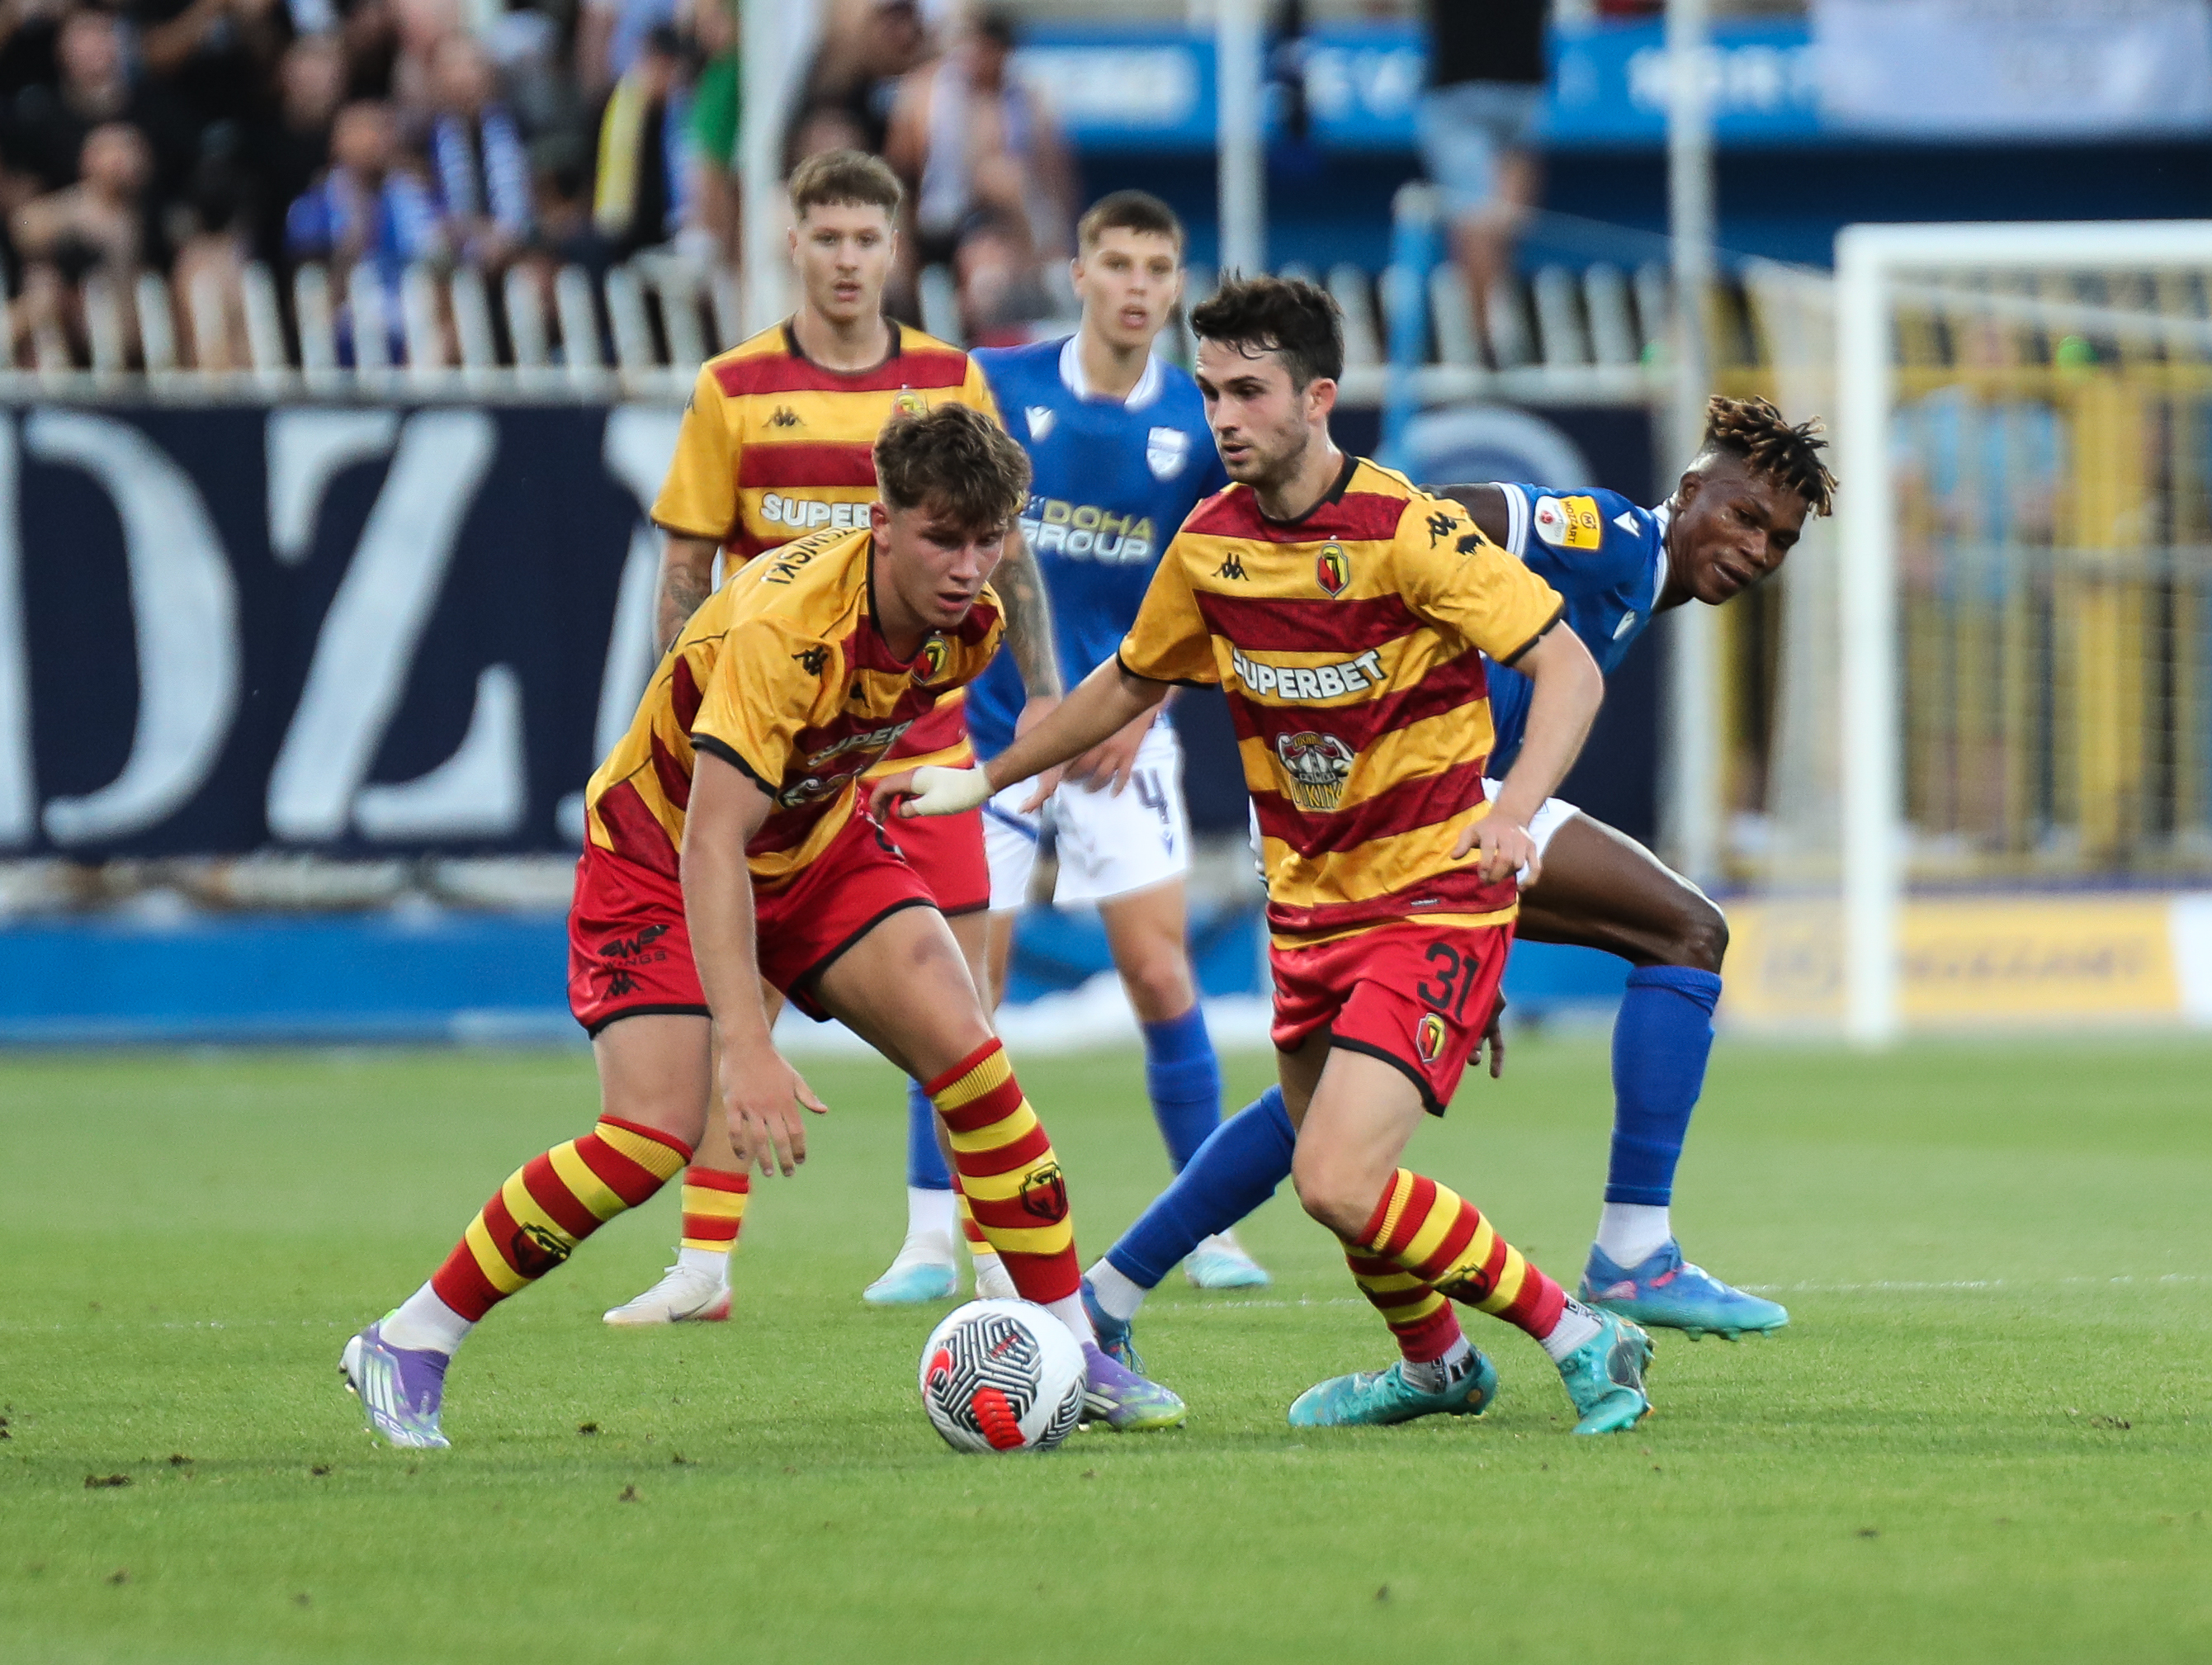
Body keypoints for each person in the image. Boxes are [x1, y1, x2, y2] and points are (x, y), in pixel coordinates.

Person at [877, 276, 1657, 1437]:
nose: (1223, 415)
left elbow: (1571, 671)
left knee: (1338, 1176)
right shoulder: (1211, 548)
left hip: (1431, 897)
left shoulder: (1410, 530)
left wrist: (1515, 813)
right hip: (1308, 911)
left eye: (1249, 391)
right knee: (1341, 1184)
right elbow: (1131, 680)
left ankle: (1583, 1335)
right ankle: (1435, 1365)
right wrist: (991, 775)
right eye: (1209, 392)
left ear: (1318, 396)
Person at [339, 402, 1187, 1450]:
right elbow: (709, 842)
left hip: (812, 843)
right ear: (881, 522)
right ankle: (411, 1337)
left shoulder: (972, 627)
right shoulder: (783, 632)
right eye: (942, 539)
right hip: (660, 854)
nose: (969, 567)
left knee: (972, 1056)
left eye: (987, 540)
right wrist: (747, 1045)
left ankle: (1068, 1346)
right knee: (647, 1137)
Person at [1069, 395, 1838, 1413]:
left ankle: (1117, 1295)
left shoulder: (1627, 590)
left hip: (1348, 821)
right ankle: (1631, 1254)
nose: (1755, 550)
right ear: (1690, 491)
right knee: (1688, 930)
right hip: (1406, 805)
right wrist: (1316, 600)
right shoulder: (1608, 534)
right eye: (1743, 517)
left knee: (1323, 1123)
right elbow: (1440, 513)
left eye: (1777, 541)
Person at [601, 146, 1060, 1327]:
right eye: (830, 237)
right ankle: (707, 1259)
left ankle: (989, 1261)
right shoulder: (735, 386)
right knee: (730, 980)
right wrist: (695, 721)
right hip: (784, 732)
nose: (850, 259)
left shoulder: (949, 377)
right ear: (792, 242)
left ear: (894, 247)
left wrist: (1045, 694)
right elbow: (689, 568)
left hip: (921, 734)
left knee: (961, 998)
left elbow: (1004, 544)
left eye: (869, 239)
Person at [863, 190, 1270, 1305]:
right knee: (955, 982)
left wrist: (1144, 707)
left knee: (1158, 968)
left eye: (1158, 267)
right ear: (1081, 275)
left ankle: (1209, 1227)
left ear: (1175, 288)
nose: (1138, 286)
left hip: (1118, 739)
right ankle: (930, 1237)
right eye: (1119, 263)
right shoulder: (1000, 385)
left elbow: (1221, 581)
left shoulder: (1198, 423)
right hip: (985, 727)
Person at [1418, 0, 1546, 362]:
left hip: (1462, 84)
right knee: (1499, 217)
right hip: (1520, 83)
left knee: (1475, 216)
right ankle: (1494, 321)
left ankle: (1483, 335)